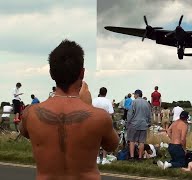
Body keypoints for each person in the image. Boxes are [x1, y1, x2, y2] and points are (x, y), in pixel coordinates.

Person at [19, 40, 119, 180]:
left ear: (51, 73)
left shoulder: (31, 113)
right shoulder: (99, 117)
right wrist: (87, 107)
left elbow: (24, 131)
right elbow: (112, 145)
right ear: (82, 73)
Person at [127, 89, 151, 160]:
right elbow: (149, 115)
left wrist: (128, 122)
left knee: (132, 140)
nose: (134, 95)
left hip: (134, 124)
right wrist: (149, 123)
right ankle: (140, 157)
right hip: (144, 124)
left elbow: (130, 114)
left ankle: (132, 157)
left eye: (134, 94)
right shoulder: (147, 103)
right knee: (141, 142)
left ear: (137, 95)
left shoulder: (134, 102)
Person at [92, 87, 115, 165]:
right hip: (105, 122)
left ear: (99, 92)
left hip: (95, 122)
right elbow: (111, 112)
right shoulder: (107, 101)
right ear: (106, 93)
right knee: (105, 141)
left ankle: (97, 158)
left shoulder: (94, 100)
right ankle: (104, 159)